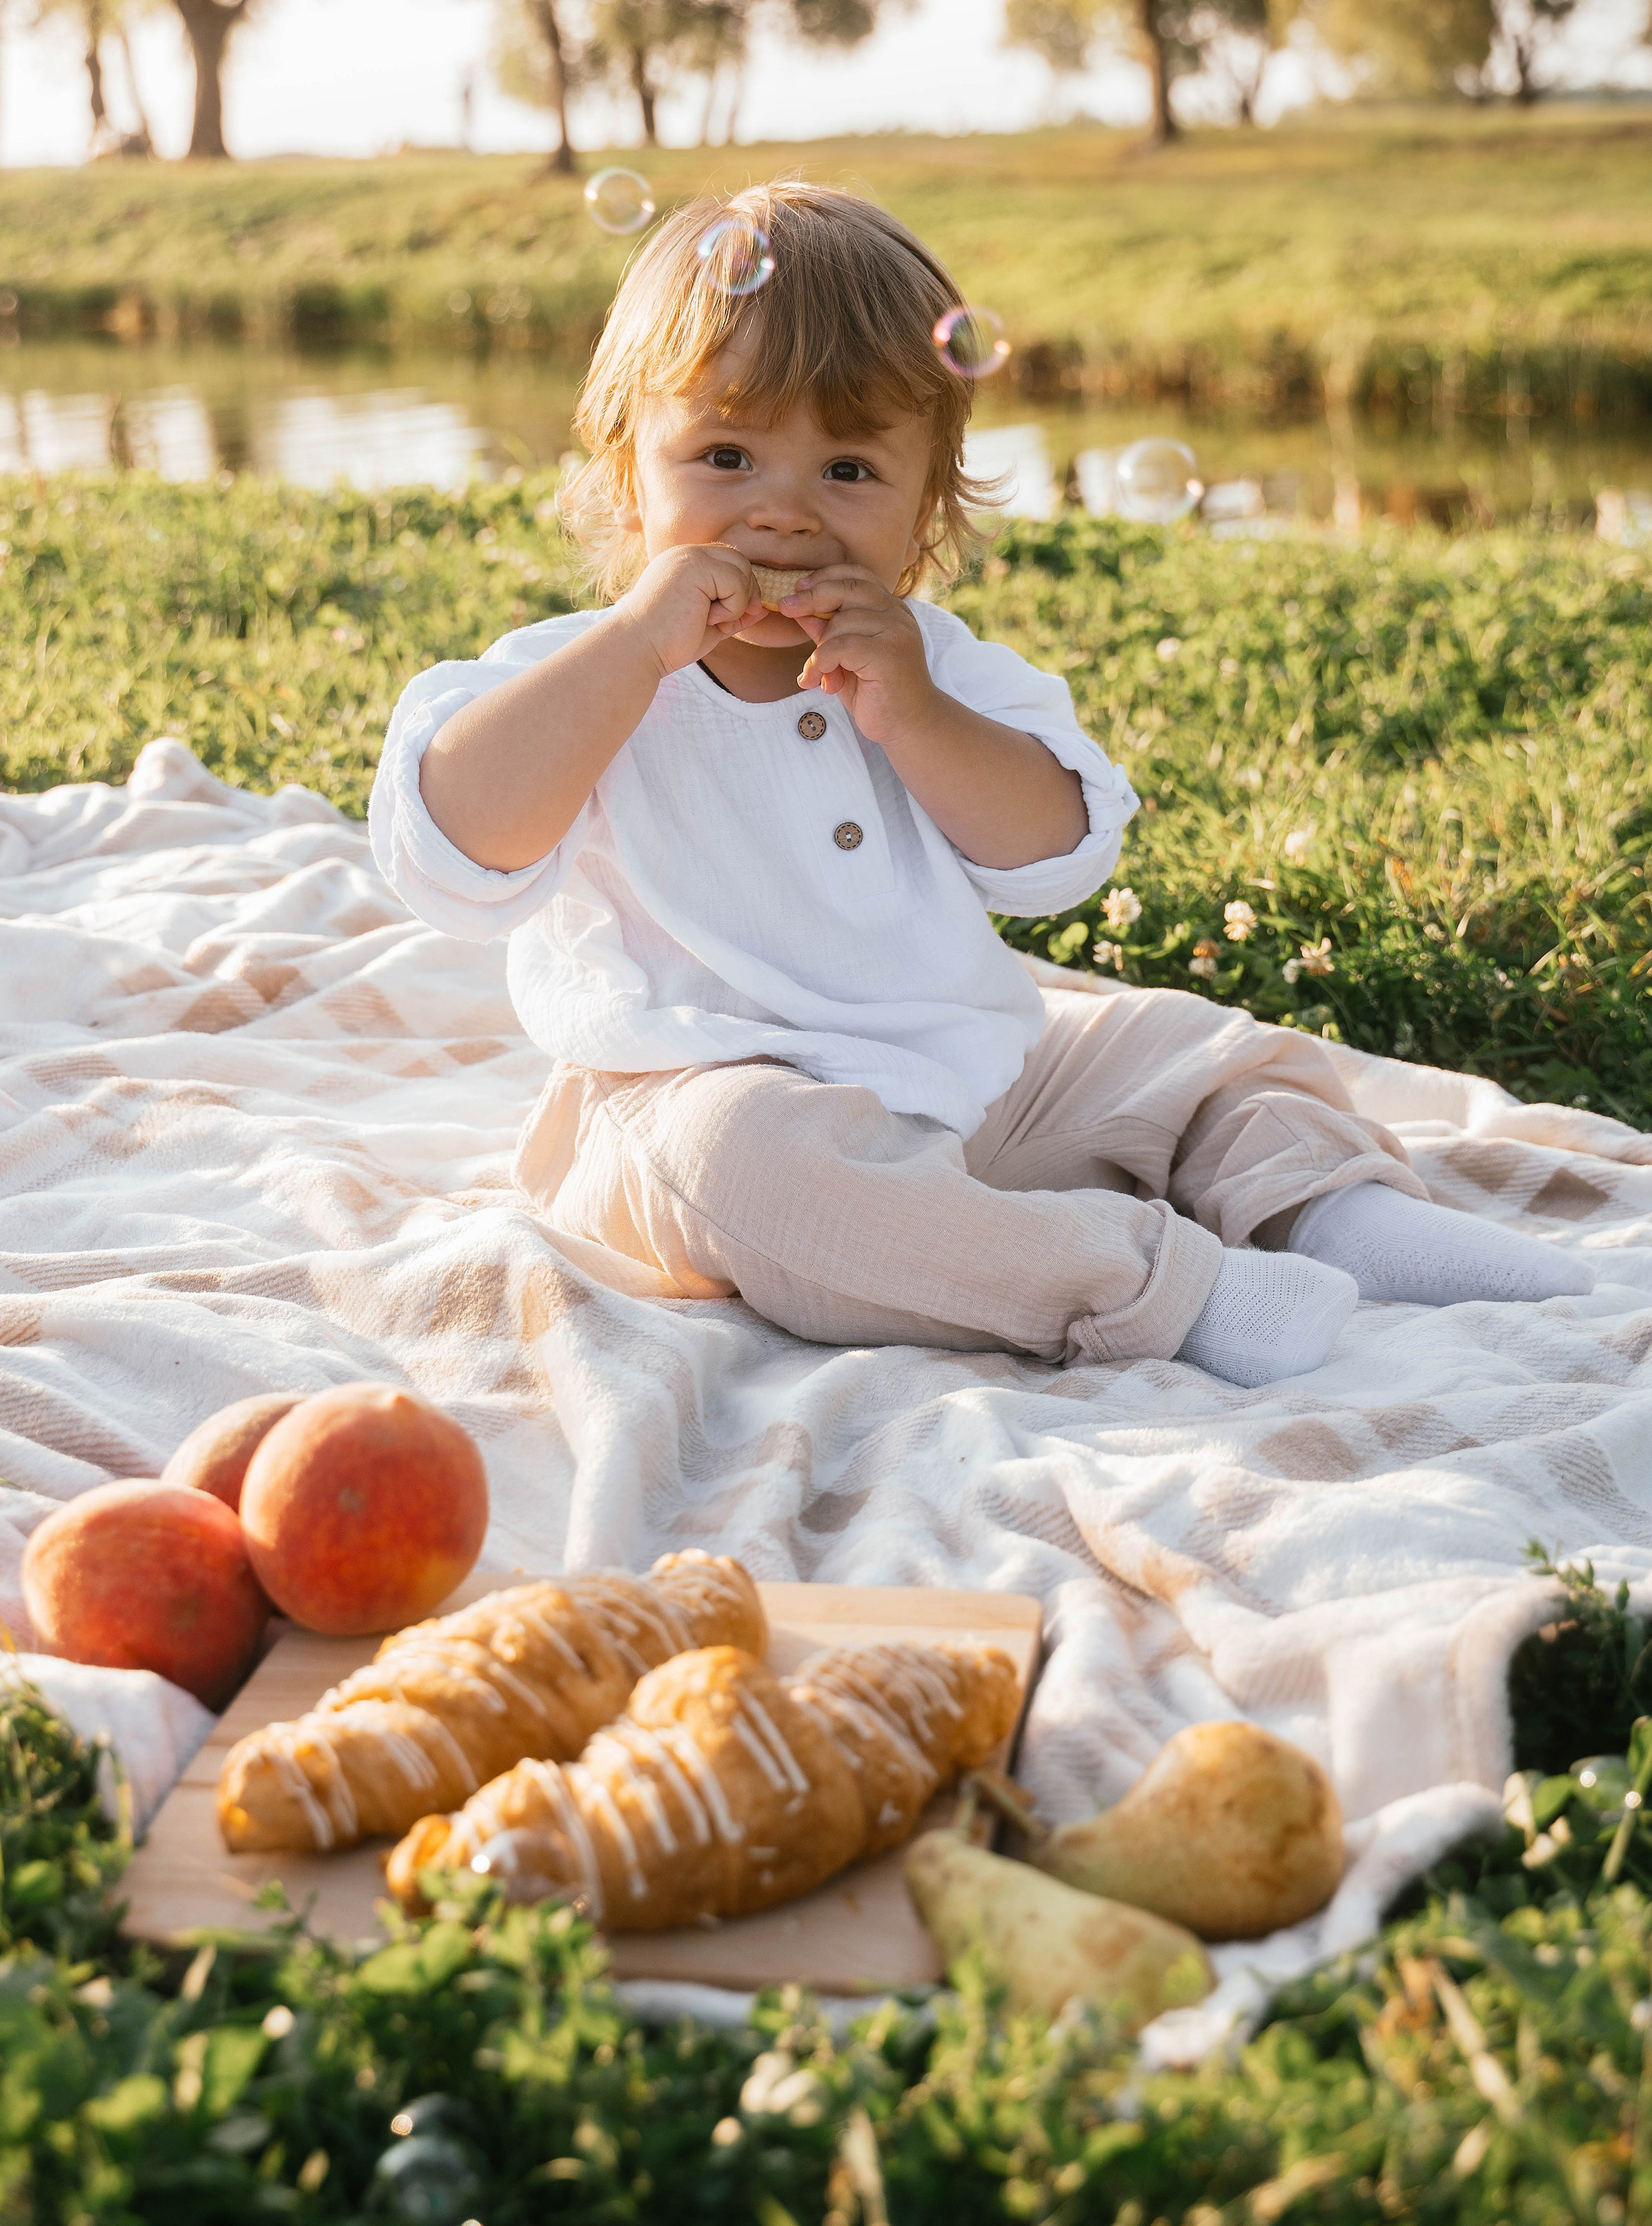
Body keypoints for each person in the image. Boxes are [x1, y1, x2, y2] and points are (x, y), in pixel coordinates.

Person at [370, 183, 1592, 1386]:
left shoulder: (933, 666)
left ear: (929, 506)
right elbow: (450, 849)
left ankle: (1336, 1220)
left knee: (1191, 1051)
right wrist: (633, 647)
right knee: (757, 1171)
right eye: (726, 455)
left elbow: (1059, 855)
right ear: (629, 475)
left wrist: (919, 718)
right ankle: (1161, 1287)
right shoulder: (575, 673)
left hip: (972, 1088)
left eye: (849, 471)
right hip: (685, 1110)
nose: (784, 515)